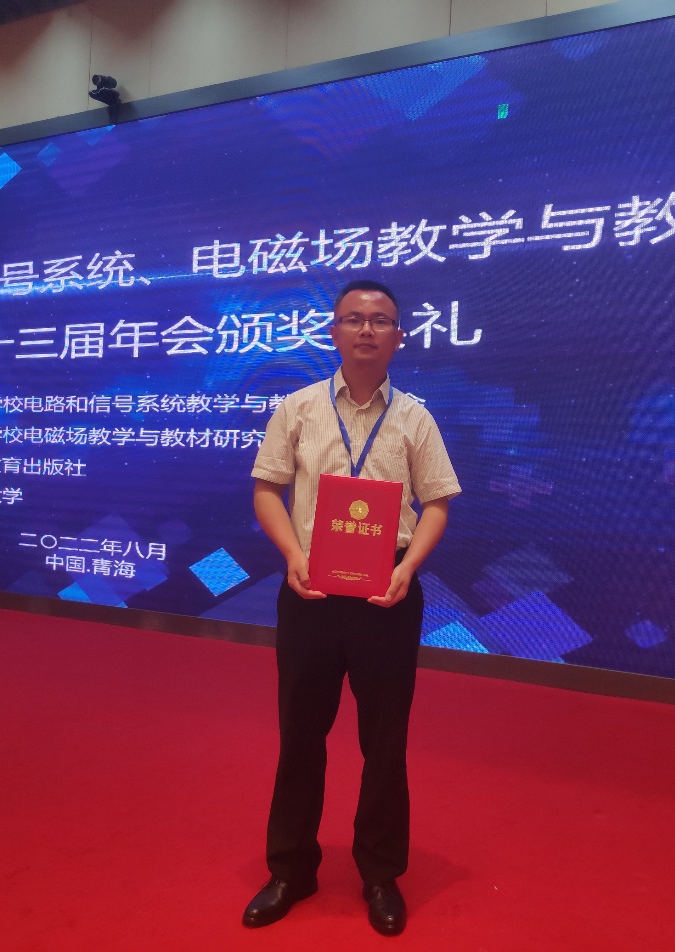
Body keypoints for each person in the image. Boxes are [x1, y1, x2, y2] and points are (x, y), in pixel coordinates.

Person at [243, 279, 460, 937]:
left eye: (381, 320)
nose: (367, 329)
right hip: (309, 592)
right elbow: (267, 489)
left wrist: (407, 569)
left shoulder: (416, 418)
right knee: (300, 736)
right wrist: (292, 554)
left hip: (385, 596)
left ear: (399, 336)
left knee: (384, 742)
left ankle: (380, 874)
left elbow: (437, 503)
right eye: (354, 318)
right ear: (333, 332)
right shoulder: (299, 408)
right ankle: (290, 869)